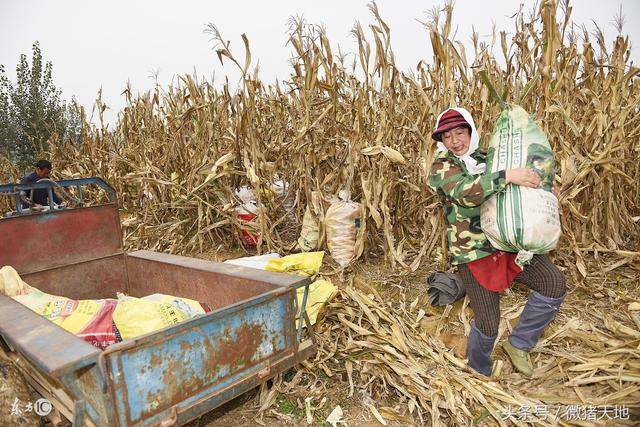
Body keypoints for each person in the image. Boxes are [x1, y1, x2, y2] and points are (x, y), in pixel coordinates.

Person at [427, 108, 566, 377]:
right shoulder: (442, 166)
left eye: (460, 132)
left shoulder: (490, 158)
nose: (455, 141)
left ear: (471, 131)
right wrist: (507, 176)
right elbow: (464, 192)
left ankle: (519, 344)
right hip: (474, 253)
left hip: (508, 243)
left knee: (553, 284)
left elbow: (520, 180)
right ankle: (478, 370)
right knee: (488, 324)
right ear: (441, 141)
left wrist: (544, 186)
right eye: (447, 136)